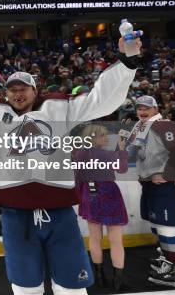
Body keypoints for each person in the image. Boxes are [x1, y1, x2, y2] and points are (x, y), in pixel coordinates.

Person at [0, 35, 140, 295]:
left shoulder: (59, 108)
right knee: (25, 287)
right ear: (5, 92)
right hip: (15, 212)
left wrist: (126, 62)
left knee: (72, 286)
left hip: (59, 211)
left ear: (35, 90)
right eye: (12, 89)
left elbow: (101, 100)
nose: (17, 94)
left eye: (23, 89)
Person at [125, 96, 175, 289]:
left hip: (166, 185)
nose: (142, 110)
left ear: (156, 109)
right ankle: (166, 261)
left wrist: (168, 175)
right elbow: (131, 152)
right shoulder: (140, 127)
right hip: (150, 184)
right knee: (157, 224)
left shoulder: (164, 125)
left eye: (146, 107)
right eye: (139, 107)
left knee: (167, 228)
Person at [73, 124, 128, 291]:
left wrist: (80, 198)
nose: (106, 138)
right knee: (115, 240)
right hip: (110, 194)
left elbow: (77, 179)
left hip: (89, 196)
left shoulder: (79, 154)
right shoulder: (107, 154)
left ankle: (98, 276)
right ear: (94, 137)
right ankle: (117, 280)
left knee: (95, 238)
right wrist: (121, 150)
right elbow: (122, 168)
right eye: (103, 135)